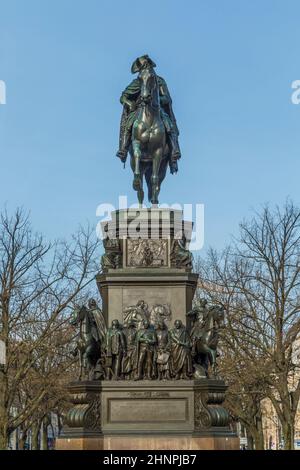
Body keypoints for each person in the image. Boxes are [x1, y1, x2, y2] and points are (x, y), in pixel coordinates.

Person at [116, 54, 181, 173]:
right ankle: (123, 148)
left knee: (169, 125)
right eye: (142, 67)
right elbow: (123, 97)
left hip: (157, 109)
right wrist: (130, 103)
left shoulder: (160, 81)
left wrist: (157, 100)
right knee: (128, 123)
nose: (145, 68)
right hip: (139, 109)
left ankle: (174, 153)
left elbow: (167, 98)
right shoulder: (138, 81)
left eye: (146, 66)